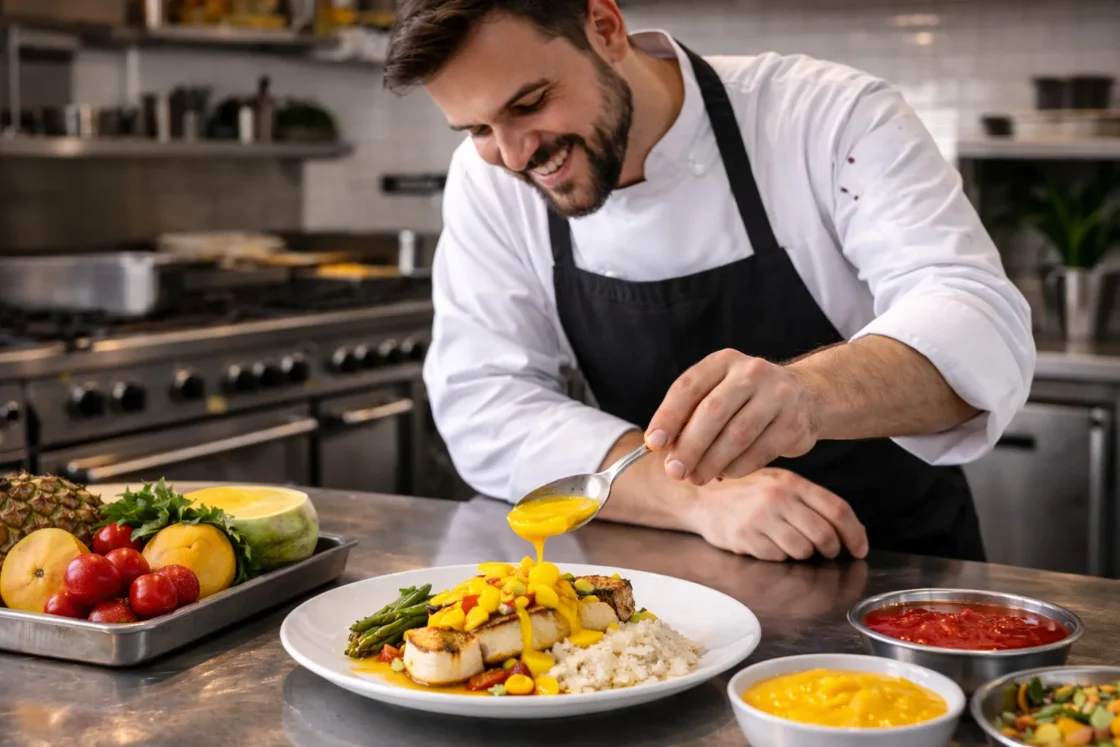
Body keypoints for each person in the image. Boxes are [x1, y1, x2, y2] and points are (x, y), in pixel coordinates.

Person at [385, 0, 1035, 563]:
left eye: (530, 103)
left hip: (894, 573)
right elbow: (483, 399)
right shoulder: (490, 180)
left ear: (606, 28)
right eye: (477, 130)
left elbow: (975, 318)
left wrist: (805, 394)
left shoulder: (824, 116)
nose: (516, 154)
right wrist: (695, 498)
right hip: (667, 594)